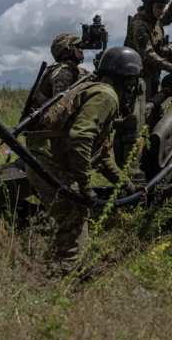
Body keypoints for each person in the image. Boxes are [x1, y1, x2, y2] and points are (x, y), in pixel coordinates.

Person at [25, 46, 146, 274]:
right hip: (52, 162)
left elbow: (102, 156)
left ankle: (60, 266)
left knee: (72, 218)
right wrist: (85, 186)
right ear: (128, 81)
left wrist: (128, 186)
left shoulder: (96, 89)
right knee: (75, 213)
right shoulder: (106, 96)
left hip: (43, 158)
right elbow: (81, 138)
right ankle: (65, 276)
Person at [124, 0, 172, 100]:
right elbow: (147, 55)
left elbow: (166, 19)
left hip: (152, 76)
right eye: (158, 7)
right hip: (140, 79)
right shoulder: (139, 25)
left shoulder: (153, 20)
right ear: (148, 4)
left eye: (163, 7)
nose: (161, 11)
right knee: (144, 113)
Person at [30, 32, 91, 108]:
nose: (81, 49)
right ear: (67, 50)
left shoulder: (77, 71)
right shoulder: (61, 73)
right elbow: (62, 107)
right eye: (78, 46)